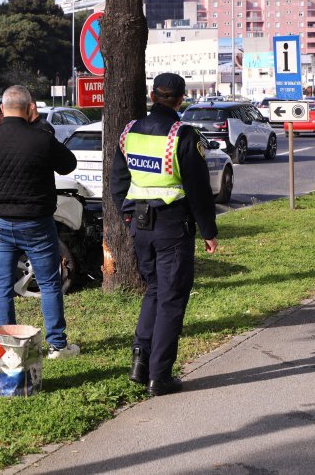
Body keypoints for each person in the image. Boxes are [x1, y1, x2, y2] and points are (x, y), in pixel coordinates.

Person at [110, 73, 219, 396]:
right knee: (172, 298)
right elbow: (199, 190)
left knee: (155, 291)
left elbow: (117, 182)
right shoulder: (182, 135)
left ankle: (139, 364)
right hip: (172, 226)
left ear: (152, 95)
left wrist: (128, 217)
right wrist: (209, 231)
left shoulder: (129, 131)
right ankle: (160, 376)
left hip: (140, 225)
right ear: (180, 98)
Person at [0, 85, 80, 359]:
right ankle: (57, 344)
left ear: (3, 108)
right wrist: (39, 127)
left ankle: (6, 347)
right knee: (50, 283)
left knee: (2, 285)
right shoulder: (41, 138)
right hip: (36, 222)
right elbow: (68, 164)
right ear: (31, 108)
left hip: (0, 222)